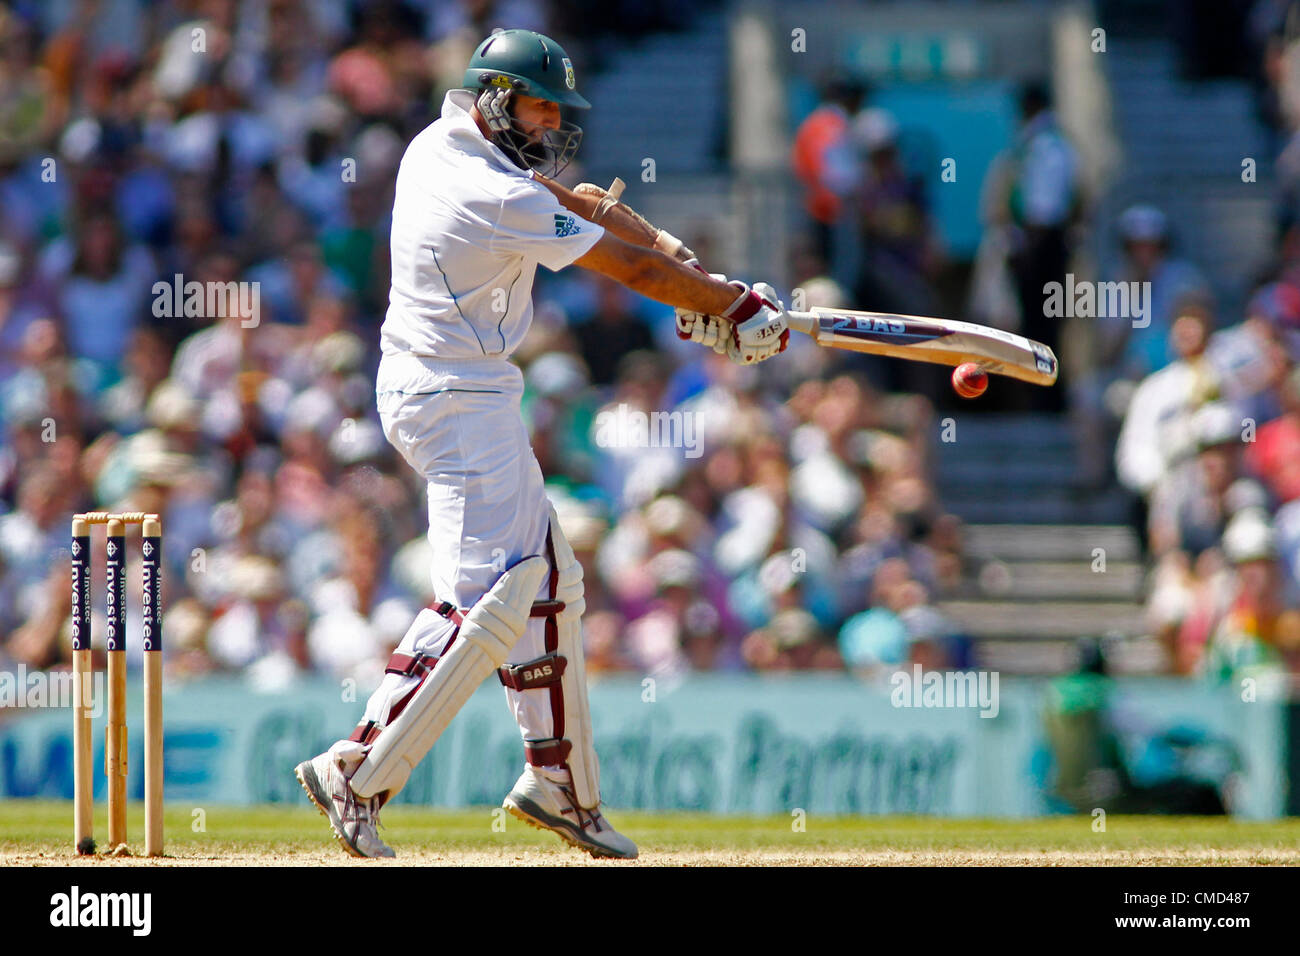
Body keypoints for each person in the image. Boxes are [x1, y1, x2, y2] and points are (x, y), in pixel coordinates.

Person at [294, 29, 790, 859]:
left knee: (550, 583)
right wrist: (730, 308)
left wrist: (691, 270)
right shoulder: (489, 190)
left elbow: (589, 210)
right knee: (493, 594)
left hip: (453, 388)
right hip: (454, 397)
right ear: (493, 95)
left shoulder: (442, 144)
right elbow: (620, 268)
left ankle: (560, 784)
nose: (553, 119)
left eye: (558, 105)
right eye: (539, 102)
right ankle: (359, 766)